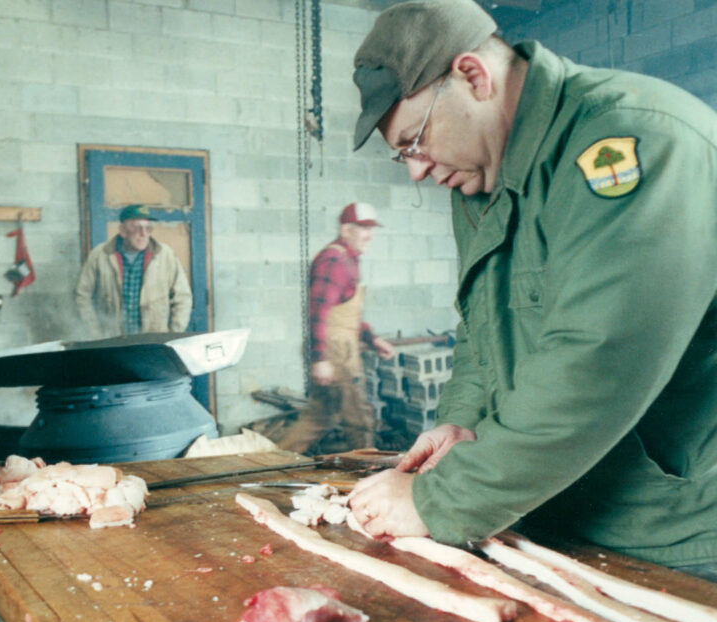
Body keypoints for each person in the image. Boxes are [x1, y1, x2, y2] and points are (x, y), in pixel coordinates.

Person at [346, 0, 717, 580]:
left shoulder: (635, 141)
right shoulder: (479, 182)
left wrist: (437, 501)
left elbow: (597, 361)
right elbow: (479, 326)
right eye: (402, 155)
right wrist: (461, 422)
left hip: (678, 533)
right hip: (557, 508)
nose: (415, 170)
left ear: (473, 75)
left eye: (415, 140)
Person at [280, 202, 397, 455]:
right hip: (335, 352)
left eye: (371, 228)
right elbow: (318, 312)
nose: (370, 235)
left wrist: (372, 338)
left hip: (338, 348)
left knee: (318, 417)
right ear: (346, 229)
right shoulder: (333, 260)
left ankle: (273, 464)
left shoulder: (347, 260)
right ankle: (370, 474)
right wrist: (321, 359)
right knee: (360, 421)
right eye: (363, 228)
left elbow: (344, 312)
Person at [75, 203, 192, 338]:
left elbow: (183, 297)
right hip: (112, 339)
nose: (143, 234)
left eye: (148, 228)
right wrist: (95, 333)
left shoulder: (165, 255)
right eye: (136, 228)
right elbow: (82, 295)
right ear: (123, 231)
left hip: (153, 341)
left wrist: (173, 333)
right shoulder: (100, 255)